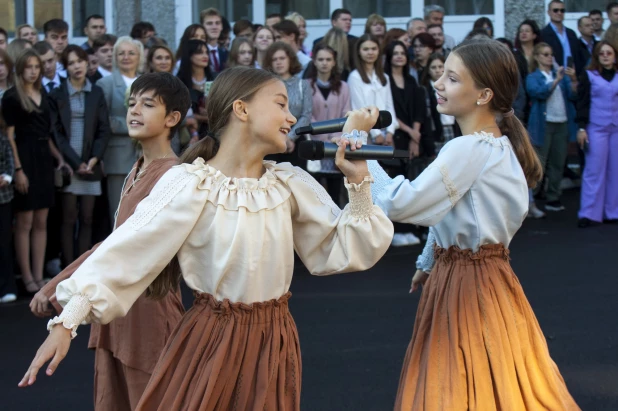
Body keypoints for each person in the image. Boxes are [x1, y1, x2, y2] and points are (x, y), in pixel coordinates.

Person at [19, 66, 394, 411]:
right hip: (212, 341)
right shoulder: (191, 184)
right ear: (241, 110)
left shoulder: (289, 184)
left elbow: (346, 247)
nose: (292, 117)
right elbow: (127, 250)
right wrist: (66, 322)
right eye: (281, 104)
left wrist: (359, 180)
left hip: (275, 341)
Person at [364, 38, 580, 410]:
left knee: (458, 383)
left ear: (483, 95)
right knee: (496, 378)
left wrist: (359, 153)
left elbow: (406, 203)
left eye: (452, 78)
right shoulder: (501, 146)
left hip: (466, 285)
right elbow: (453, 210)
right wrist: (428, 260)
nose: (438, 84)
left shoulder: (468, 149)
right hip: (491, 282)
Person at [31, 72, 189, 410]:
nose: (135, 110)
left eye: (148, 104)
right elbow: (111, 244)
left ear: (173, 118)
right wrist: (56, 285)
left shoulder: (174, 177)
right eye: (132, 103)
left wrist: (60, 291)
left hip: (149, 317)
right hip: (115, 312)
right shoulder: (138, 168)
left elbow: (120, 252)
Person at [1, 49, 69, 294]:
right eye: (28, 66)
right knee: (25, 221)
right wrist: (18, 169)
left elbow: (47, 134)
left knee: (42, 220)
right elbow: (9, 137)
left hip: (43, 161)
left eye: (36, 66)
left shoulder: (45, 96)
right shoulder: (11, 97)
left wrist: (59, 158)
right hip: (24, 158)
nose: (33, 71)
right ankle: (27, 277)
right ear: (20, 69)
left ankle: (39, 276)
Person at [48, 45, 110, 267]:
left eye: (80, 61)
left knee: (87, 217)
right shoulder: (57, 94)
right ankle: (67, 266)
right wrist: (76, 163)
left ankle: (82, 266)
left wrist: (93, 160)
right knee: (68, 218)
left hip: (91, 162)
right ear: (65, 67)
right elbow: (56, 133)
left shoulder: (96, 92)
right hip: (69, 162)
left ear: (87, 63)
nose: (77, 66)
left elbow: (104, 129)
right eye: (71, 63)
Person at [96, 36, 143, 222]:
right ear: (115, 57)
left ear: (139, 56)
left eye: (131, 53)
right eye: (121, 53)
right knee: (119, 213)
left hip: (144, 156)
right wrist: (138, 124)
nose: (126, 57)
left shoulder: (148, 81)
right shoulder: (105, 84)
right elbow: (103, 121)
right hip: (117, 158)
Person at [526, 42, 577, 212]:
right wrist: (555, 81)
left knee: (558, 161)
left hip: (561, 122)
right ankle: (531, 199)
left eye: (551, 54)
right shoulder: (533, 76)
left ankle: (553, 197)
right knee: (540, 162)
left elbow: (572, 95)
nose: (550, 58)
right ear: (537, 57)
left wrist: (573, 79)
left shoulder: (560, 75)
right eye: (546, 54)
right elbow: (538, 93)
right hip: (544, 124)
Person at [384, 40, 425, 246]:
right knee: (395, 186)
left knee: (410, 185)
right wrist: (410, 132)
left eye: (402, 53)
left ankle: (410, 227)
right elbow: (389, 110)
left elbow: (419, 110)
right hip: (396, 137)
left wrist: (415, 136)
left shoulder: (411, 81)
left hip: (411, 138)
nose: (399, 56)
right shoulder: (385, 81)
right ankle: (396, 230)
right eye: (395, 53)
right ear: (389, 57)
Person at [576, 41, 618, 228]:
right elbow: (582, 102)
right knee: (593, 170)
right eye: (602, 53)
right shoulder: (589, 75)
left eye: (609, 53)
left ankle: (612, 211)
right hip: (596, 127)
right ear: (597, 56)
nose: (606, 56)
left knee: (615, 171)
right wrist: (582, 128)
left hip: (616, 128)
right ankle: (589, 213)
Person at [306, 44, 351, 206]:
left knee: (334, 193)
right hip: (314, 145)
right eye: (320, 59)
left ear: (334, 62)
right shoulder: (305, 85)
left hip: (335, 145)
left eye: (328, 59)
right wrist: (322, 135)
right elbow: (306, 115)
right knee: (313, 192)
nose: (324, 63)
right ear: (314, 62)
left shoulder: (344, 87)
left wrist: (334, 136)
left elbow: (346, 114)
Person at [263, 42, 312, 168]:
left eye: (282, 58)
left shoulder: (303, 84)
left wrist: (290, 137)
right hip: (271, 140)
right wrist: (279, 137)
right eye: (274, 59)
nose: (279, 62)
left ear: (290, 59)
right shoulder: (265, 86)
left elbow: (306, 115)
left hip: (296, 141)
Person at [348, 34, 398, 146]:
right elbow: (359, 108)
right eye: (366, 49)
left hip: (386, 131)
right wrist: (376, 134)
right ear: (358, 52)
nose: (370, 52)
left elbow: (389, 106)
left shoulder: (384, 77)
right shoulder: (355, 77)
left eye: (374, 49)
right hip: (365, 133)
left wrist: (390, 131)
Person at [0, 99, 17, 303]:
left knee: (4, 241)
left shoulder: (3, 137)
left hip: (3, 197)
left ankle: (7, 286)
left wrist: (7, 177)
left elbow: (10, 159)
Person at [540, 0, 585, 74]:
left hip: (572, 76)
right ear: (549, 12)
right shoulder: (543, 34)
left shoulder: (571, 33)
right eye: (555, 10)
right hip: (554, 76)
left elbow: (577, 56)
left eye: (562, 10)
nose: (559, 13)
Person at [200, 8, 228, 73]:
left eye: (217, 23)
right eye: (209, 23)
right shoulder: (196, 55)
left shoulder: (227, 54)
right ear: (202, 27)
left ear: (221, 27)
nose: (214, 27)